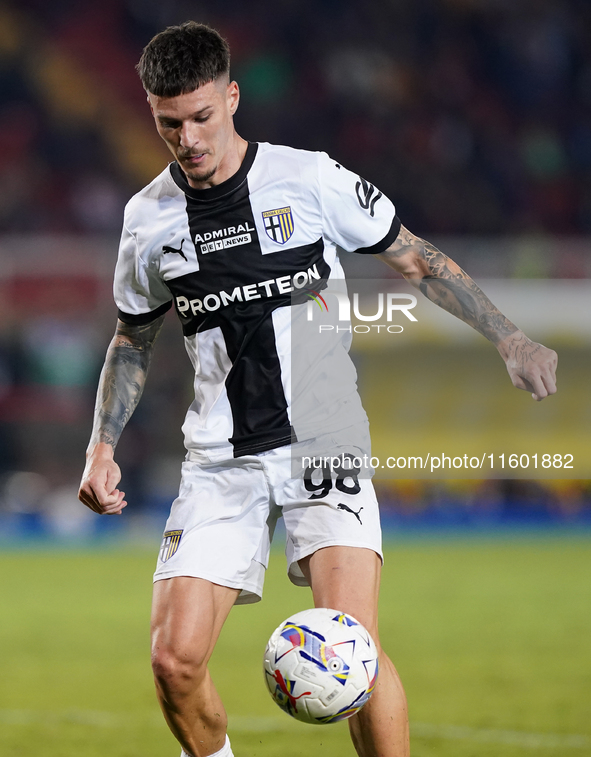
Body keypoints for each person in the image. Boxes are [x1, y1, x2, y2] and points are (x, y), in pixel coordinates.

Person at [78, 21, 557, 757]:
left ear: (232, 98)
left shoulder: (308, 179)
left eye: (202, 117)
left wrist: (509, 337)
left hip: (322, 442)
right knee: (173, 662)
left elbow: (417, 261)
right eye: (168, 123)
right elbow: (132, 335)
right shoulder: (147, 220)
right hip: (219, 457)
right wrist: (101, 444)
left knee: (352, 650)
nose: (189, 139)